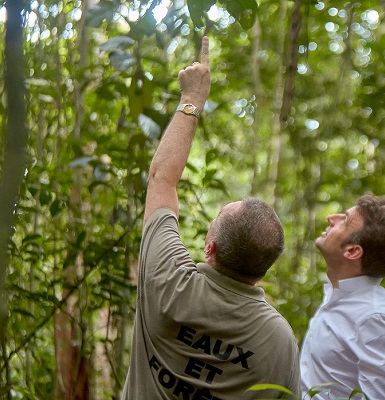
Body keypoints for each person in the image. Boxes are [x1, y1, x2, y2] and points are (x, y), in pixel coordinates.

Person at [121, 36, 300, 399]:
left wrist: (191, 101)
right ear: (263, 267)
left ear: (210, 247)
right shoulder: (279, 340)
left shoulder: (168, 281)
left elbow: (161, 179)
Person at [300, 195, 385, 399]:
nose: (332, 217)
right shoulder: (337, 295)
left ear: (352, 251)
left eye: (344, 220)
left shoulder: (374, 317)